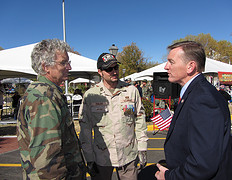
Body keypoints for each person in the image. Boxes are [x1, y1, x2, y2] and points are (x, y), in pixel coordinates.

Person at [155, 41, 232, 179]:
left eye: (171, 62)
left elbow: (203, 164)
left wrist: (169, 176)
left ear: (190, 66)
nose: (166, 66)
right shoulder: (195, 93)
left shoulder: (203, 98)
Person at [17, 39, 86, 179]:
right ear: (45, 66)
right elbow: (47, 161)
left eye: (69, 62)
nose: (69, 67)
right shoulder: (44, 98)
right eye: (63, 63)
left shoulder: (47, 93)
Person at [79, 53, 148, 180]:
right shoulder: (91, 95)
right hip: (101, 158)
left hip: (128, 156)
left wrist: (142, 148)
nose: (114, 71)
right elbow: (85, 129)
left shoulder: (131, 91)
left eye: (116, 67)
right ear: (100, 72)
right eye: (109, 69)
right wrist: (89, 157)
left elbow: (139, 120)